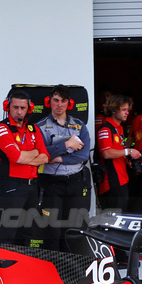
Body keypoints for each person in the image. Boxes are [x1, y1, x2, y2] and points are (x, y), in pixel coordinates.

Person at [37, 85, 92, 249]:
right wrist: (68, 145)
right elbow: (42, 155)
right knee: (52, 229)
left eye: (63, 101)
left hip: (76, 182)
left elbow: (83, 155)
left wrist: (57, 157)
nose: (59, 104)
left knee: (74, 228)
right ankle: (52, 268)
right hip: (51, 184)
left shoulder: (80, 126)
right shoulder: (39, 127)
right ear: (49, 102)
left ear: (69, 103)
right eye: (56, 100)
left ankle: (72, 268)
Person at [0, 90, 49, 246]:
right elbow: (17, 157)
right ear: (7, 107)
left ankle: (21, 267)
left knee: (27, 231)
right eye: (15, 107)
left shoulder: (33, 128)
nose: (19, 111)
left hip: (32, 186)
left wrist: (26, 157)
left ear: (28, 109)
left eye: (22, 108)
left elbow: (45, 157)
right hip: (12, 185)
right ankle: (4, 266)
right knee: (9, 230)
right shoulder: (2, 128)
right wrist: (35, 152)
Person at [95, 94, 142, 213]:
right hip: (111, 182)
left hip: (122, 179)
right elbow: (106, 153)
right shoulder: (105, 128)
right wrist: (129, 151)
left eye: (128, 110)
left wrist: (127, 159)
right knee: (113, 220)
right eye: (124, 110)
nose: (127, 113)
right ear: (114, 110)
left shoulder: (119, 128)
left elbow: (118, 150)